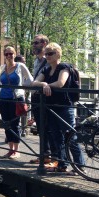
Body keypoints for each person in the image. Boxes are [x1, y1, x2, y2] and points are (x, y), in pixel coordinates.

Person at [31, 42, 84, 173]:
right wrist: (44, 84)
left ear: (58, 53)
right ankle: (62, 164)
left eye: (50, 53)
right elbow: (34, 82)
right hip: (51, 107)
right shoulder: (46, 69)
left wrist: (47, 85)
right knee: (56, 137)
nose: (47, 56)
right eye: (46, 53)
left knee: (70, 137)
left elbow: (61, 83)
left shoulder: (64, 67)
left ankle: (80, 166)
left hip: (64, 106)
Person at [0, 46, 33, 159]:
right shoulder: (2, 67)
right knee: (6, 124)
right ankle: (10, 149)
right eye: (6, 54)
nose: (9, 56)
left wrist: (23, 89)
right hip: (3, 98)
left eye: (11, 54)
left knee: (15, 125)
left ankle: (16, 151)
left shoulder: (20, 66)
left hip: (16, 99)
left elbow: (30, 80)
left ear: (14, 54)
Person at [30, 34, 55, 164]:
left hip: (44, 99)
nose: (33, 45)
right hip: (36, 98)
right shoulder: (36, 61)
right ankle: (44, 155)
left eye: (36, 43)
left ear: (44, 44)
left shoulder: (48, 60)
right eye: (33, 43)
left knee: (47, 127)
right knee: (40, 128)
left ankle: (50, 156)